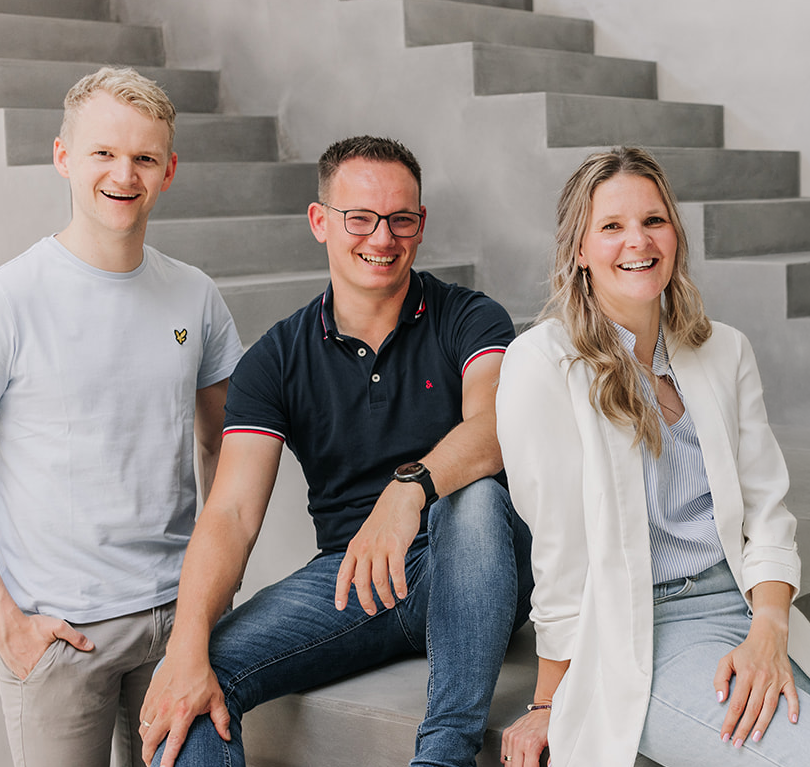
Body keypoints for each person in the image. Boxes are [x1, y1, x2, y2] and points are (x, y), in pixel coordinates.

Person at [494, 147, 810, 767]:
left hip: (742, 604)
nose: (638, 241)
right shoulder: (542, 365)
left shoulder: (724, 351)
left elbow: (767, 511)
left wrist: (769, 626)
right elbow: (560, 552)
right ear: (578, 249)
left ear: (676, 234)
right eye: (611, 226)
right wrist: (551, 700)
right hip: (647, 635)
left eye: (654, 221)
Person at [138, 135, 533, 767]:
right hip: (356, 577)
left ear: (421, 224)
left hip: (478, 564)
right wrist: (186, 646)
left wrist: (410, 491)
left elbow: (496, 428)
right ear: (321, 222)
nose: (383, 238)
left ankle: (443, 756)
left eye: (401, 219)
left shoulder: (470, 317)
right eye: (361, 219)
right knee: (191, 691)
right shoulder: (275, 358)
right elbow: (231, 514)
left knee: (479, 497)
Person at [0, 67, 243, 767]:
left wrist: (210, 590)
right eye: (103, 152)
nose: (123, 173)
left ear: (168, 171)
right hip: (58, 638)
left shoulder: (195, 296)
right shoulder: (2, 300)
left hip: (176, 625)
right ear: (64, 157)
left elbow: (227, 444)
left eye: (144, 157)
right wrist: (3, 623)